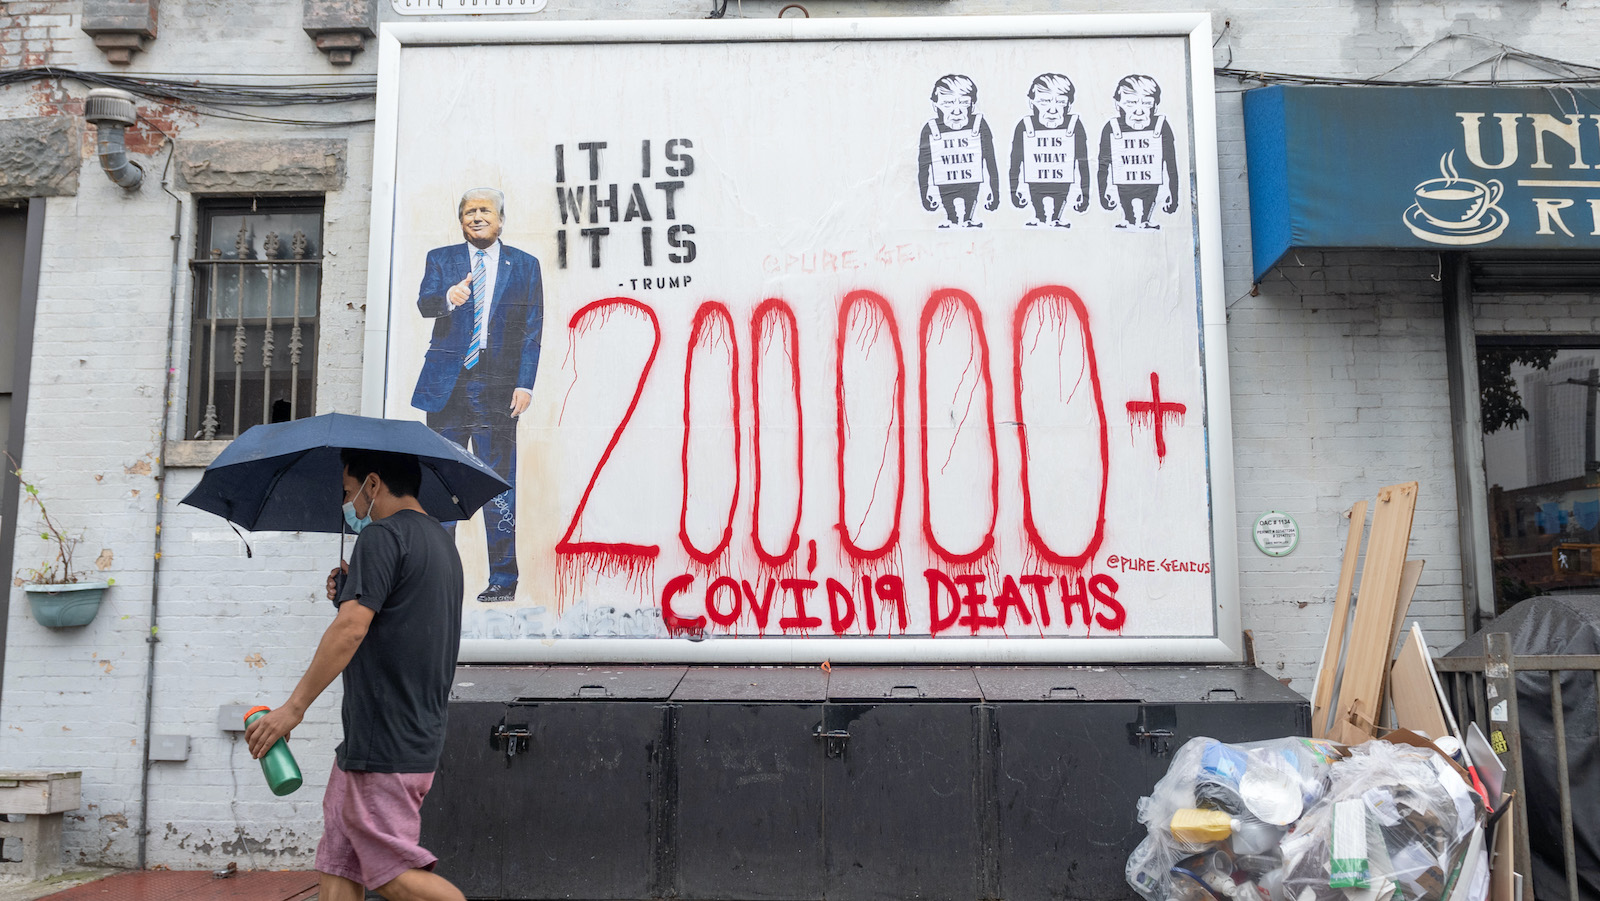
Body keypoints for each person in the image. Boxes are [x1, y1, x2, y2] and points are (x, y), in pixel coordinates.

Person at [245, 449, 465, 901]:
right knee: (339, 861)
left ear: (373, 483)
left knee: (390, 873)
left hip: (385, 738)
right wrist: (349, 591)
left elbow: (350, 629)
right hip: (388, 735)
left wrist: (293, 709)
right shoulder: (441, 543)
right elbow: (399, 619)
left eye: (348, 492)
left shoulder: (382, 537)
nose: (347, 505)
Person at [411, 187, 544, 603]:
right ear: (461, 220)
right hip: (448, 386)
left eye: (485, 210)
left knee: (498, 485)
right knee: (442, 483)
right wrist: (447, 299)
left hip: (498, 386)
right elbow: (424, 305)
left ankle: (504, 580)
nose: (477, 216)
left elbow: (532, 330)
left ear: (500, 219)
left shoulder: (524, 265)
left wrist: (525, 383)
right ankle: (439, 580)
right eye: (469, 211)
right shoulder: (442, 259)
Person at [1096, 74, 1180, 230]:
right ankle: (1128, 219)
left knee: (1149, 197)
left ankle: (1145, 220)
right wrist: (1103, 194)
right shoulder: (1111, 127)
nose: (1139, 111)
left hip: (1151, 186)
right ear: (1118, 104)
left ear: (1155, 106)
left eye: (1146, 103)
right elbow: (1103, 165)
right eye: (1131, 103)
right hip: (1123, 187)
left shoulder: (1161, 126)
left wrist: (1173, 195)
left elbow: (1171, 165)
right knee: (1126, 201)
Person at [917, 74, 999, 228]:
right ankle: (951, 218)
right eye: (948, 103)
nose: (956, 111)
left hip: (972, 183)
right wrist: (925, 194)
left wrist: (994, 191)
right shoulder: (930, 129)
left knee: (970, 195)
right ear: (935, 106)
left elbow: (990, 161)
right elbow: (924, 167)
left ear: (972, 105)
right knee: (947, 198)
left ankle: (968, 218)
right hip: (945, 184)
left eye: (964, 103)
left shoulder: (979, 125)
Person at [1008, 73, 1090, 227]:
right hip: (1035, 184)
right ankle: (1039, 216)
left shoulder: (1074, 125)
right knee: (1036, 194)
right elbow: (1015, 162)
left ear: (1069, 105)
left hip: (1062, 183)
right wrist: (1014, 190)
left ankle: (1056, 218)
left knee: (1060, 195)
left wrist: (1084, 193)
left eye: (1060, 102)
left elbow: (1083, 164)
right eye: (1044, 101)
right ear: (1032, 103)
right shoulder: (1024, 125)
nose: (1053, 109)